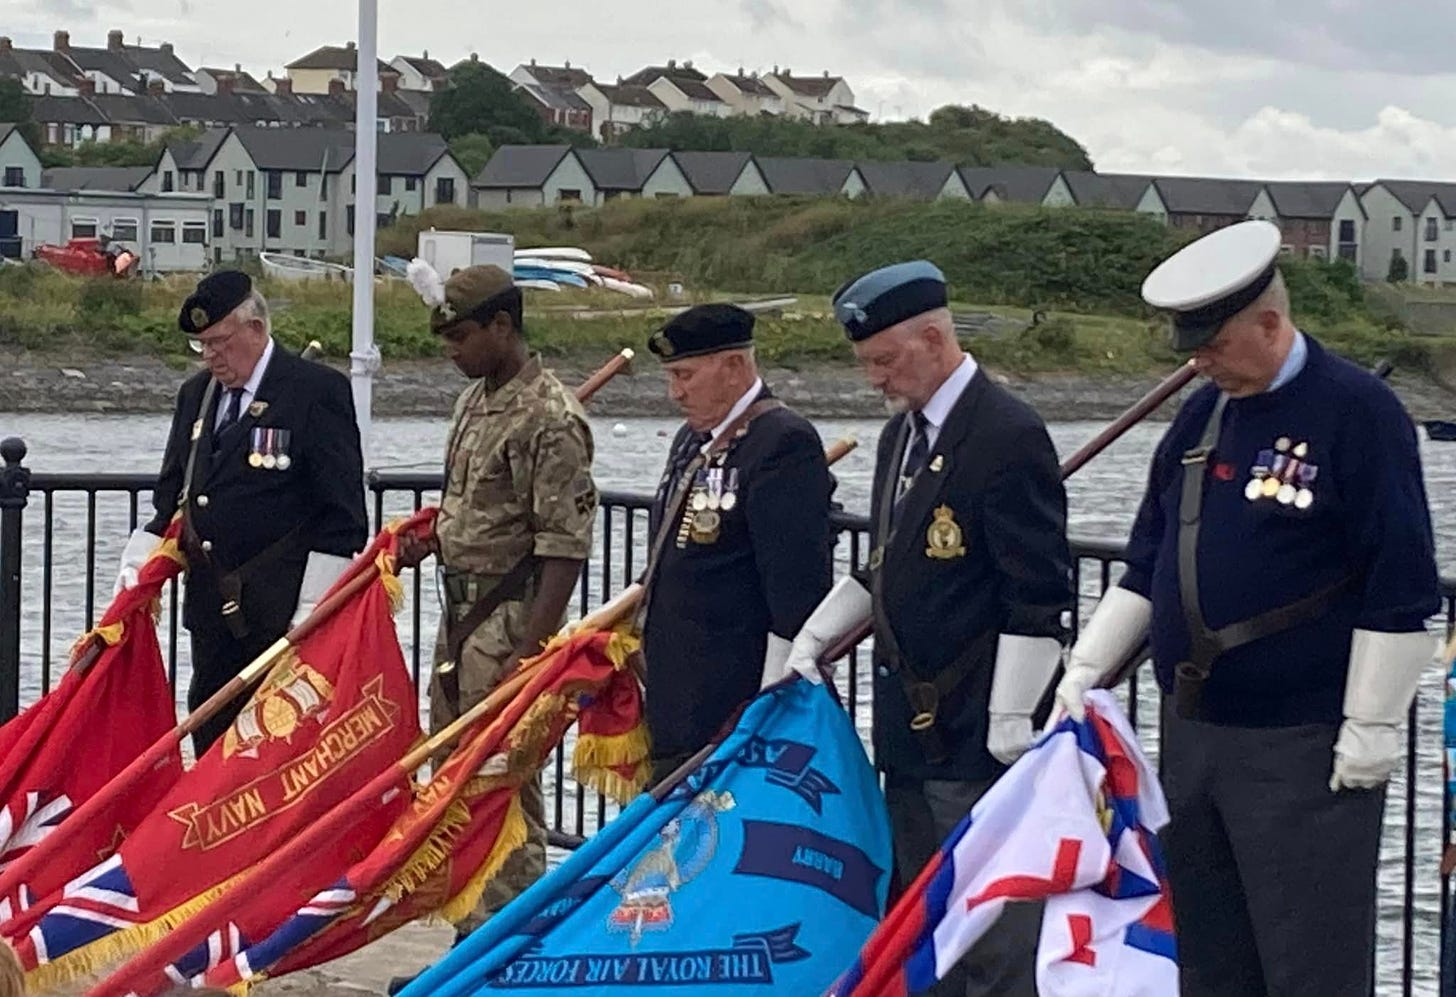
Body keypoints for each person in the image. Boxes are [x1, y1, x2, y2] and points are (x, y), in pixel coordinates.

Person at [1053, 219, 1440, 997]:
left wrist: (1370, 726)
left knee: (1309, 960)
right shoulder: (1204, 415)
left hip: (1301, 742)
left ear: (1269, 322)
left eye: (1214, 345)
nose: (1199, 362)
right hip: (1196, 735)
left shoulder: (1356, 411)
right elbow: (1149, 555)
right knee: (1210, 957)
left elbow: (1400, 581)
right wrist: (1086, 667)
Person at [782, 261, 1073, 996]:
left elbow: (1037, 592)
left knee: (993, 930)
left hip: (975, 727)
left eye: (884, 360)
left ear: (935, 338)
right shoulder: (900, 439)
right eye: (867, 363)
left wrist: (1012, 712)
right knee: (921, 923)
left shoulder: (1006, 433)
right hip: (909, 730)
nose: (875, 379)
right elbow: (889, 561)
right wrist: (814, 637)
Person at [392, 263, 597, 961]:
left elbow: (563, 547)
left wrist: (531, 652)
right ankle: (469, 930)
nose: (450, 350)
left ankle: (509, 941)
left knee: (503, 780)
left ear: (503, 327)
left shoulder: (550, 417)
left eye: (461, 335)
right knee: (453, 772)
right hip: (459, 619)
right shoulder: (474, 401)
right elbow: (474, 507)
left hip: (509, 621)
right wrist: (427, 540)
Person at [112, 271, 367, 755]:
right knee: (212, 745)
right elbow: (172, 498)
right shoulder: (197, 396)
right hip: (212, 612)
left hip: (282, 613)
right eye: (201, 346)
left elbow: (343, 516)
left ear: (255, 329)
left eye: (220, 343)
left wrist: (313, 609)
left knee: (278, 751)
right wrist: (136, 565)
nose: (211, 356)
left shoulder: (313, 391)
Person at [637, 303, 833, 785]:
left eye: (685, 375)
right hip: (675, 692)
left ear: (734, 367)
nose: (675, 391)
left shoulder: (781, 442)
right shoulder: (692, 439)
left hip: (732, 693)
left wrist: (769, 701)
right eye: (670, 376)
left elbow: (796, 590)